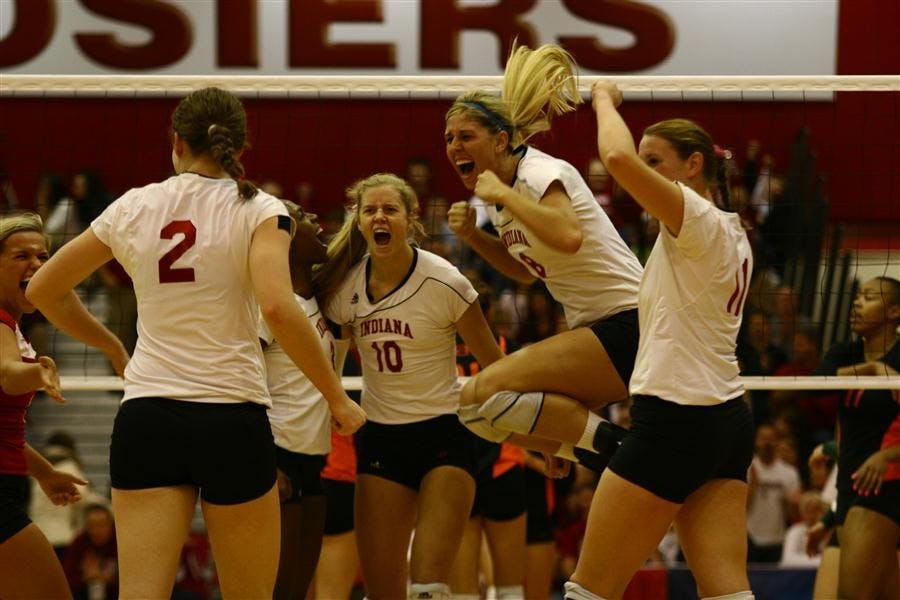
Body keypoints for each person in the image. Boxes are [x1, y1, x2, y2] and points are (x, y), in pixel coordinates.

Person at [26, 86, 365, 599]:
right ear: (240, 146)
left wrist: (115, 348)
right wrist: (337, 398)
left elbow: (43, 289)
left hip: (149, 418)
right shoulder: (261, 208)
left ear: (176, 142)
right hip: (232, 418)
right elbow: (277, 306)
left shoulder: (135, 204)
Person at [561, 82, 757, 600]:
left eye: (657, 160)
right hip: (727, 420)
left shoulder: (697, 222)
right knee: (727, 591)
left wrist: (602, 97)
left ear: (694, 165)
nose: (644, 170)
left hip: (675, 417)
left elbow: (616, 157)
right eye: (647, 159)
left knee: (589, 589)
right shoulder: (731, 234)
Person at [444, 42, 643, 474]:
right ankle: (580, 452)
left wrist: (504, 196)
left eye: (465, 136)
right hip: (597, 331)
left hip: (631, 321)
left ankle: (629, 451)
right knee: (477, 411)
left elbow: (569, 236)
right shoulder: (502, 192)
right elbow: (526, 272)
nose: (454, 146)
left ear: (500, 140)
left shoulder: (535, 173)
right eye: (449, 138)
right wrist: (473, 236)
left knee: (485, 390)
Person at [312, 172, 504, 600]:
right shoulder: (346, 289)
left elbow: (498, 367)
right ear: (359, 221)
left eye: (390, 209)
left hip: (446, 433)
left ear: (411, 219)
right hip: (381, 440)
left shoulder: (445, 282)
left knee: (428, 586)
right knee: (384, 592)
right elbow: (331, 368)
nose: (380, 217)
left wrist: (538, 439)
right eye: (371, 210)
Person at [0, 212, 87, 600]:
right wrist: (37, 374)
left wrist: (46, 472)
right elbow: (8, 373)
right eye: (22, 256)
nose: (36, 264)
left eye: (42, 256)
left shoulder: (13, 326)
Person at [803, 276, 900, 600]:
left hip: (884, 489)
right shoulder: (845, 352)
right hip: (847, 491)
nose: (857, 303)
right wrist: (871, 369)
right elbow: (816, 385)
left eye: (869, 297)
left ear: (894, 312)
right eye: (857, 296)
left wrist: (887, 456)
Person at [259, 200, 335, 599]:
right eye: (304, 217)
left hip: (311, 460)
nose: (316, 220)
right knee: (274, 591)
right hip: (278, 460)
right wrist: (265, 463)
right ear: (284, 239)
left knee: (296, 592)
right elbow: (237, 378)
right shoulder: (269, 305)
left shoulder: (314, 301)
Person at [62, 502, 118, 600]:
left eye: (102, 524)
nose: (97, 529)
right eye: (92, 525)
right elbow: (65, 579)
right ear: (86, 526)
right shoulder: (79, 542)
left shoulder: (119, 542)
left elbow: (135, 580)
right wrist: (85, 577)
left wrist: (111, 579)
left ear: (111, 524)